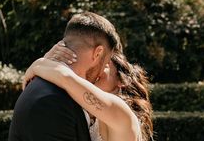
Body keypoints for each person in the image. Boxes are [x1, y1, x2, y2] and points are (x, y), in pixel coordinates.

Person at [8, 12, 121, 141]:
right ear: (97, 53)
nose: (101, 73)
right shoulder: (51, 102)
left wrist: (39, 63)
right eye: (105, 63)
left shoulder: (45, 84)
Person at [23, 43, 153, 141]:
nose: (96, 69)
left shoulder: (121, 113)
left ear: (122, 81)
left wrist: (40, 63)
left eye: (105, 65)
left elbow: (66, 78)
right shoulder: (89, 115)